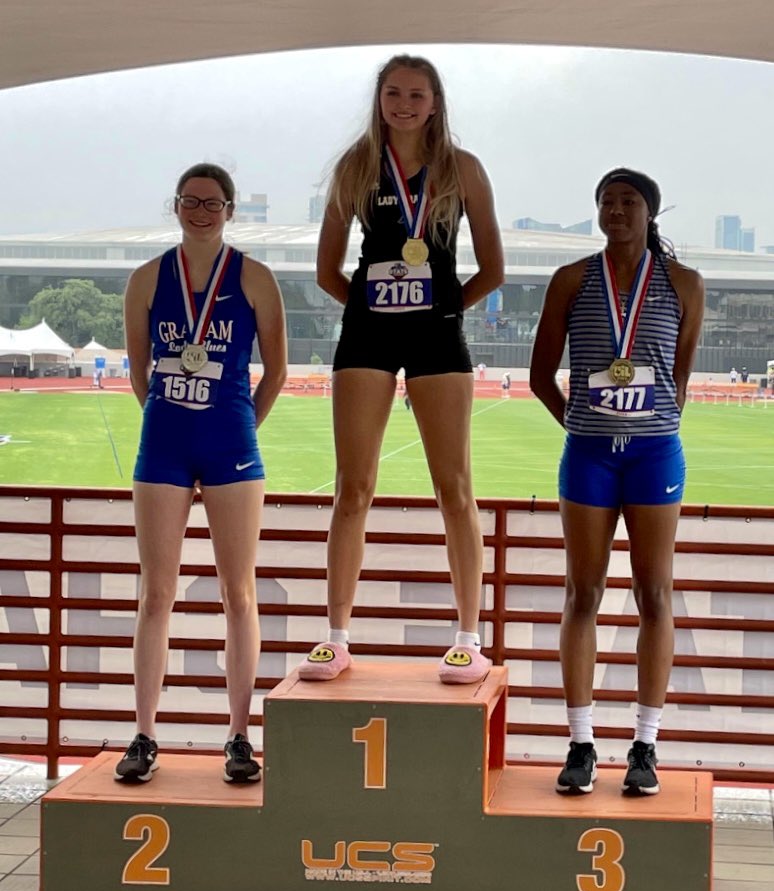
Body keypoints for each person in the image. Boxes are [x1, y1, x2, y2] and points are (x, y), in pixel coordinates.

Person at [299, 54, 504, 685]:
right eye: (393, 92)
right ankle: (336, 637)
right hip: (367, 337)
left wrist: (441, 312)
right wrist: (373, 311)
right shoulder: (355, 166)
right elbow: (327, 270)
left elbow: (492, 270)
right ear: (379, 99)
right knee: (352, 486)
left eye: (417, 94)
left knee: (455, 488)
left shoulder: (462, 169)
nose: (405, 104)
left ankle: (467, 637)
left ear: (435, 102)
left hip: (439, 340)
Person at [529, 168, 704, 796]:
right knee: (584, 593)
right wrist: (582, 423)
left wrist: (647, 418)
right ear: (597, 211)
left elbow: (679, 378)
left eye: (629, 201)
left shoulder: (684, 284)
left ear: (649, 213)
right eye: (607, 201)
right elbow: (541, 374)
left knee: (655, 593)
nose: (617, 210)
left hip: (655, 455)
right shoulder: (572, 279)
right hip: (590, 457)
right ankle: (580, 744)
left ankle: (645, 746)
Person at [115, 163, 287, 784]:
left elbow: (278, 373)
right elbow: (141, 372)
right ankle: (144, 734)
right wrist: (173, 414)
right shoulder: (144, 280)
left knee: (238, 593)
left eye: (213, 203)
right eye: (190, 201)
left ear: (231, 210)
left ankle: (240, 736)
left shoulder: (257, 279)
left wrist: (238, 426)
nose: (201, 211)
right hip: (162, 445)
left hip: (232, 449)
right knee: (155, 593)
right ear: (177, 206)